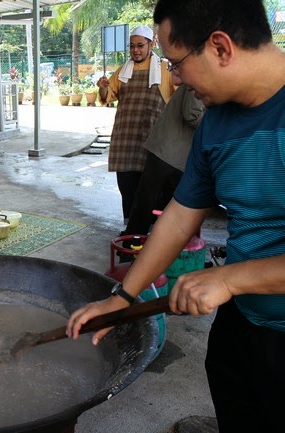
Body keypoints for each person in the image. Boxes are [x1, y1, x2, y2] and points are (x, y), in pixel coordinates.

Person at [68, 1, 285, 431]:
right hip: (241, 323)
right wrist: (123, 296)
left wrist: (227, 279)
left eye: (175, 62)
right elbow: (180, 215)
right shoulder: (217, 122)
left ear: (220, 47)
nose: (174, 76)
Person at [97, 24, 174, 227]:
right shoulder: (122, 72)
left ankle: (151, 232)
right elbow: (107, 98)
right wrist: (103, 88)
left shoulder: (166, 70)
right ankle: (129, 230)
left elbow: (179, 100)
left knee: (151, 190)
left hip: (153, 143)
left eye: (140, 45)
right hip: (126, 141)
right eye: (132, 46)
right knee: (127, 188)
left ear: (151, 44)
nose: (135, 50)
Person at [123, 84, 205, 238]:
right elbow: (192, 115)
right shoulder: (199, 81)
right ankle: (133, 242)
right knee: (148, 202)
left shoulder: (203, 78)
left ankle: (152, 240)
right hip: (168, 151)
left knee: (160, 202)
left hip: (173, 152)